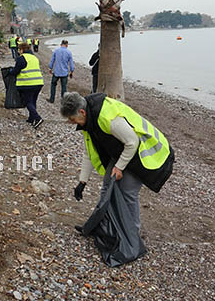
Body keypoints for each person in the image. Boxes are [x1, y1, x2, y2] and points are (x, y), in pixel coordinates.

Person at [60, 92, 173, 241]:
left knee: (127, 192)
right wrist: (82, 181)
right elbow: (89, 153)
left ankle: (133, 235)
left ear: (82, 112)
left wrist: (119, 167)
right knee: (107, 187)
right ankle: (98, 226)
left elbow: (132, 142)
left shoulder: (108, 117)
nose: (72, 123)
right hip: (122, 150)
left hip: (143, 151)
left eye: (72, 119)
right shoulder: (88, 122)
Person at [7, 42, 44, 128]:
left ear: (22, 49)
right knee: (33, 101)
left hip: (27, 83)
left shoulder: (21, 58)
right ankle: (31, 118)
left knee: (27, 101)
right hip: (38, 82)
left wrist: (10, 72)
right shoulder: (34, 58)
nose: (18, 51)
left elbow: (16, 71)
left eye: (19, 49)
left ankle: (37, 118)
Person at [48, 39, 74, 103]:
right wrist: (71, 71)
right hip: (64, 72)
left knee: (53, 85)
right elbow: (71, 63)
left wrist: (50, 68)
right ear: (67, 45)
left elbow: (52, 60)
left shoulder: (56, 51)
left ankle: (52, 99)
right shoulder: (69, 52)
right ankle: (63, 101)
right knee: (64, 87)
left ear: (61, 44)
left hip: (56, 72)